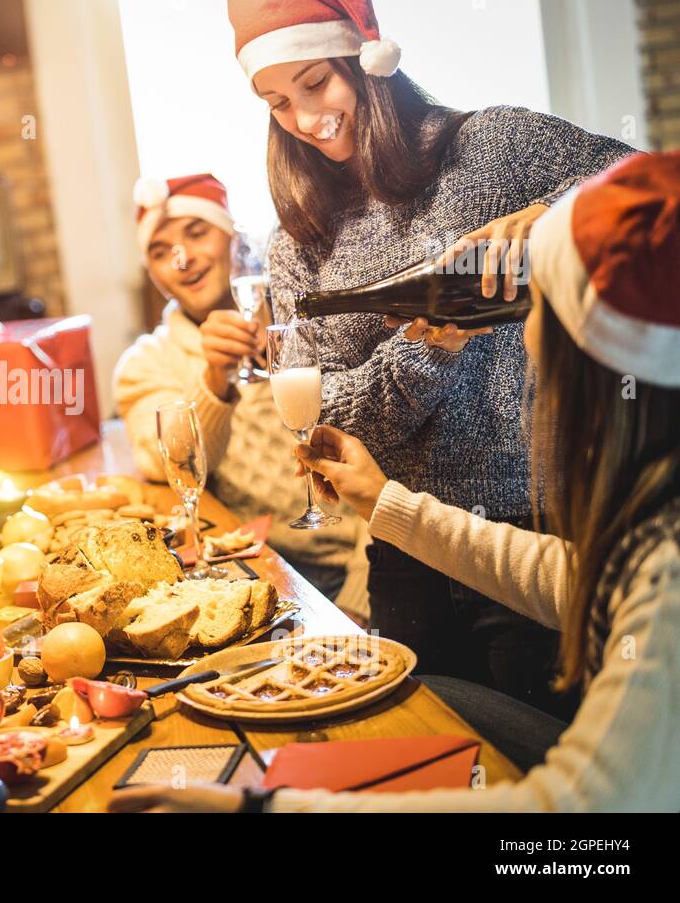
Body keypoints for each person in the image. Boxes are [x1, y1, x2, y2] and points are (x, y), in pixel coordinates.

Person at [110, 150, 680, 813]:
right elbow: (571, 578)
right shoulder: (650, 531)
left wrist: (267, 808)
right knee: (428, 696)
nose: (524, 341)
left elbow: (575, 821)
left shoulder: (667, 567)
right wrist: (381, 501)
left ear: (600, 363)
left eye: (540, 312)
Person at [220, 0, 635, 714]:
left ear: (365, 66)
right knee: (431, 756)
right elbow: (324, 419)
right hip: (403, 545)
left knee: (549, 778)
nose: (306, 118)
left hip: (536, 536)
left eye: (317, 83)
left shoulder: (492, 146)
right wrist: (428, 349)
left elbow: (644, 186)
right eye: (278, 102)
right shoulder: (299, 240)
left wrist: (547, 212)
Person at [114, 173, 367, 608]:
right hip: (265, 563)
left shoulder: (305, 316)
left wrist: (359, 603)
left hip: (370, 555)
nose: (182, 259)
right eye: (160, 252)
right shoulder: (146, 361)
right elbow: (167, 467)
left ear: (234, 237)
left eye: (197, 233)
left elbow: (388, 450)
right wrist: (213, 378)